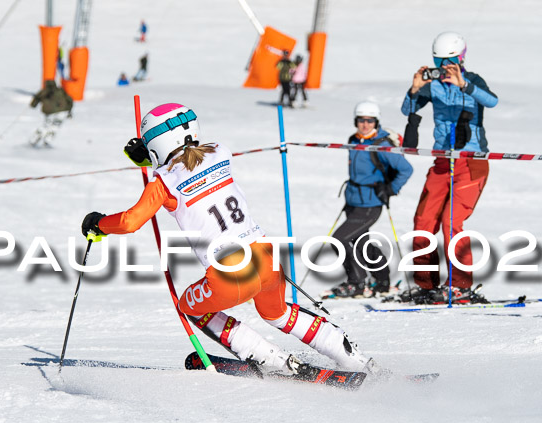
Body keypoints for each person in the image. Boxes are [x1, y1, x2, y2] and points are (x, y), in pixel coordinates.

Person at [80, 102, 379, 375]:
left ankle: (273, 360)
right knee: (277, 312)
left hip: (229, 272)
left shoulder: (162, 183)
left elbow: (131, 221)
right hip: (265, 257)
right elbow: (189, 164)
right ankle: (354, 358)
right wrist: (152, 161)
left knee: (190, 306)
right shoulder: (219, 151)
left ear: (157, 144)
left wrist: (98, 224)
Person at [400, 31, 498, 304]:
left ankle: (460, 285)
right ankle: (426, 285)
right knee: (423, 222)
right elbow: (408, 109)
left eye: (450, 60)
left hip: (471, 161)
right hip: (443, 162)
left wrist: (464, 84)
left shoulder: (473, 80)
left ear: (461, 58)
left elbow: (492, 101)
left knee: (451, 222)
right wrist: (415, 89)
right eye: (439, 60)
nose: (444, 66)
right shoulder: (434, 85)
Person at [322, 101, 413, 299]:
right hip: (353, 201)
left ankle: (356, 282)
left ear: (376, 122)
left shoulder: (382, 145)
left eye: (370, 121)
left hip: (371, 203)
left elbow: (406, 169)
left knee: (339, 240)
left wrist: (391, 189)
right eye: (362, 120)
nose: (365, 124)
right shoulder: (353, 140)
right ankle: (382, 281)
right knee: (362, 243)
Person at [29, 80, 73, 146]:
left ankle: (34, 139)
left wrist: (33, 105)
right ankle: (47, 141)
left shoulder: (43, 92)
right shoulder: (60, 90)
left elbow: (35, 100)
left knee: (46, 125)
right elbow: (69, 100)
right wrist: (69, 111)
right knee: (55, 126)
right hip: (62, 112)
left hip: (49, 113)